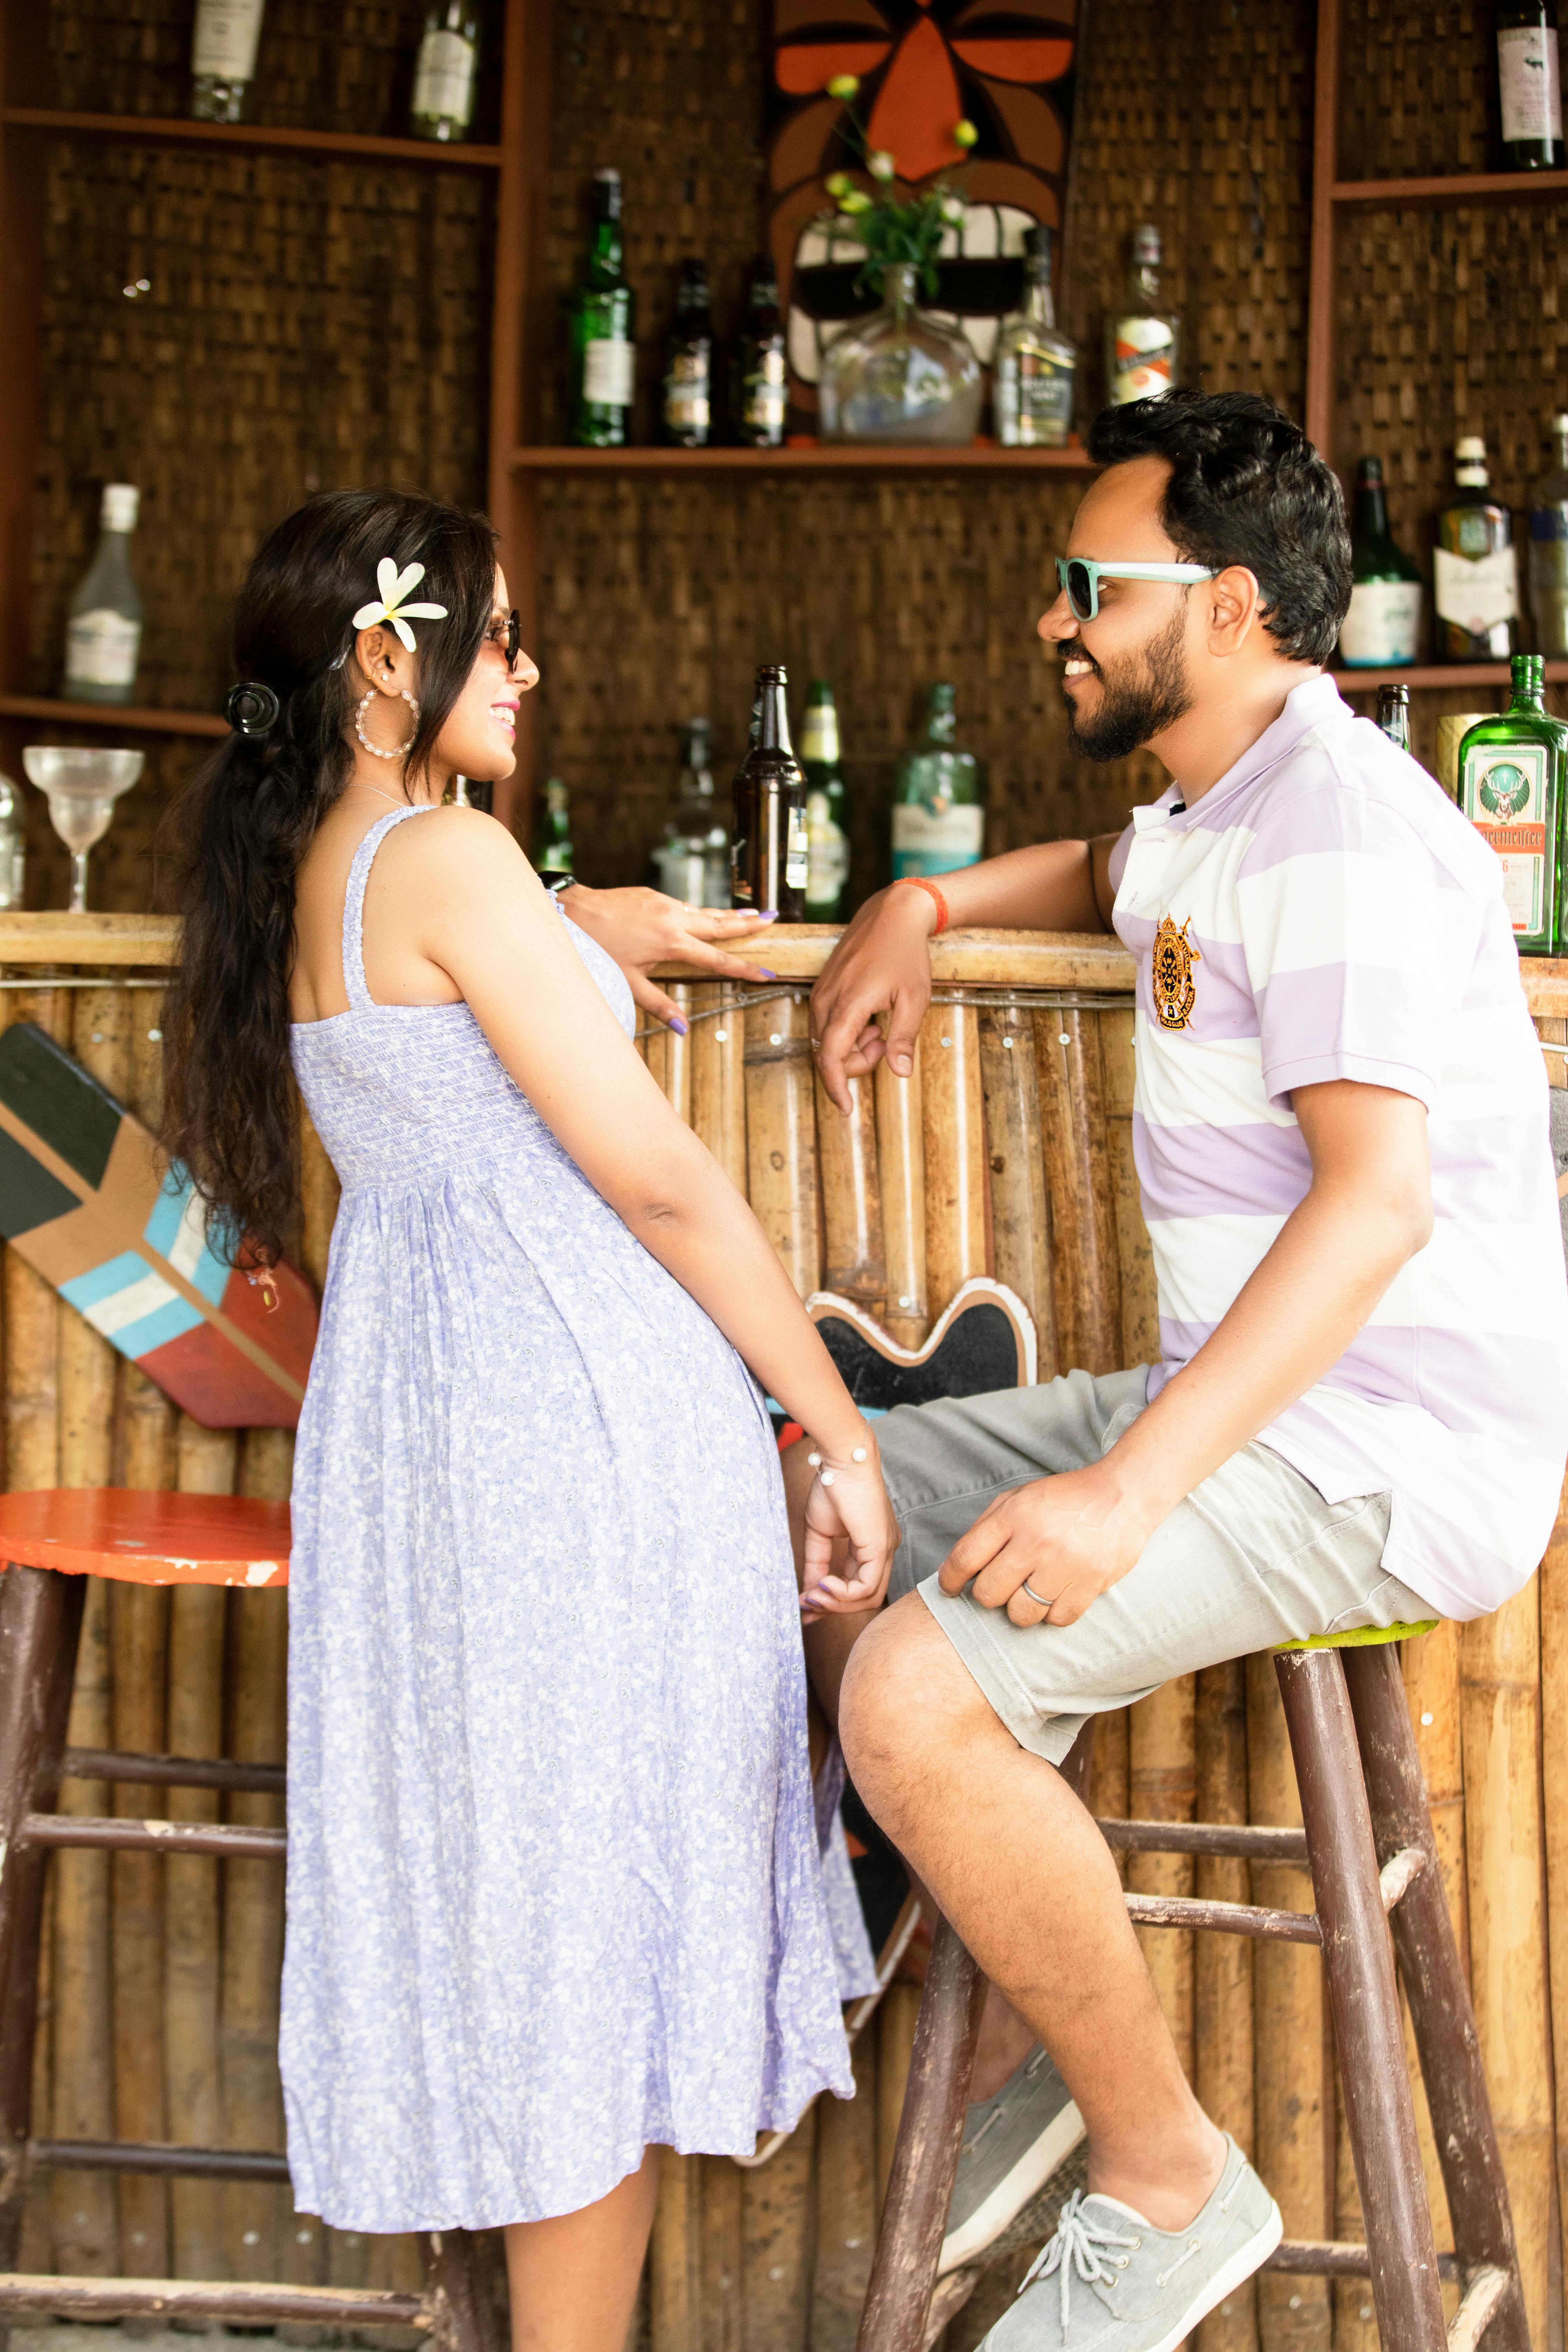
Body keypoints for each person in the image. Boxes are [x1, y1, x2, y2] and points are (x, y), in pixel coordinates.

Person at [795, 389, 1568, 2351]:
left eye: (1089, 586)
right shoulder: (1218, 808)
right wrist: (926, 898)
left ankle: (1163, 2169)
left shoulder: (1345, 832)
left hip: (1386, 1452)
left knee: (906, 1681)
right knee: (797, 1510)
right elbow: (1102, 871)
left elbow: (1376, 1206)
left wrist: (1125, 1492)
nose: (1053, 617)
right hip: (1251, 1403)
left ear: (1223, 609)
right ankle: (1065, 2031)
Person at [160, 488, 899, 2352]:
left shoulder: (325, 865)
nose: (533, 664)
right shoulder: (446, 860)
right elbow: (655, 1180)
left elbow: (449, 1008)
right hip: (571, 1435)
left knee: (537, 1914)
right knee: (592, 1924)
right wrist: (833, 1422)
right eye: (497, 637)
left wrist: (574, 915)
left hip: (433, 1442)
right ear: (388, 661)